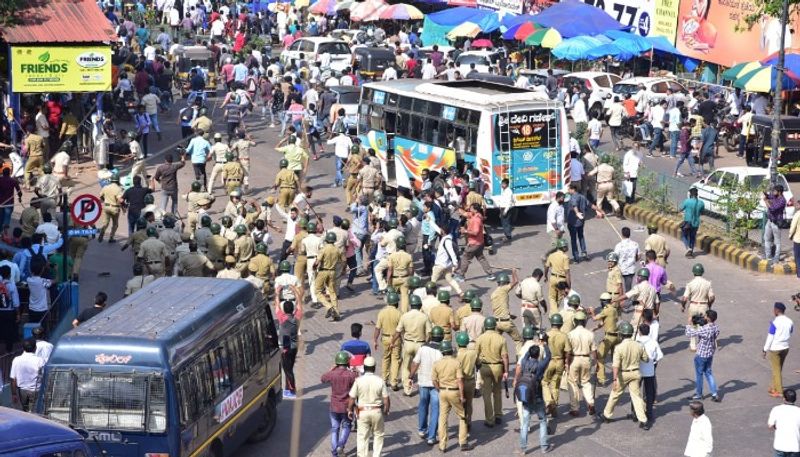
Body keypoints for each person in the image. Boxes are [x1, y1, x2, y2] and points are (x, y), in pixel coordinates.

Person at [432, 341, 473, 452]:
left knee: (443, 418)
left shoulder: (436, 364)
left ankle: (442, 444)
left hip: (442, 392)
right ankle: (463, 442)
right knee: (462, 416)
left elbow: (434, 380)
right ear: (451, 350)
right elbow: (460, 380)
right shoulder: (456, 363)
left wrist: (439, 389)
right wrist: (462, 395)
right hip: (454, 391)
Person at [514, 336, 552, 455]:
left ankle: (523, 448)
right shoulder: (540, 366)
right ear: (537, 355)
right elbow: (549, 356)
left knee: (525, 424)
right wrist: (544, 344)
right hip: (538, 398)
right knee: (542, 421)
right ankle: (544, 447)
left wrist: (532, 345)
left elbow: (525, 355)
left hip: (527, 398)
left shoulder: (525, 362)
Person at [408, 326, 444, 445]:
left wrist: (411, 376)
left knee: (423, 405)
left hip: (423, 382)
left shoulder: (423, 349)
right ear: (442, 337)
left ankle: (422, 430)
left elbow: (415, 362)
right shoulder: (442, 351)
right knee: (435, 409)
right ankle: (432, 436)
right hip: (437, 385)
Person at [347, 356, 389, 457]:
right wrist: (386, 410)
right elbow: (386, 399)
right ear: (374, 367)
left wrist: (349, 410)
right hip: (377, 411)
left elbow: (352, 398)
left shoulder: (358, 381)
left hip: (362, 412)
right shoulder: (380, 381)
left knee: (362, 437)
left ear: (364, 368)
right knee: (378, 435)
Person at [391, 294, 431, 396]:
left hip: (408, 343)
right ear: (420, 305)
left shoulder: (405, 316)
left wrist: (392, 342)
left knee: (406, 367)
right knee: (421, 367)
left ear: (410, 305)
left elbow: (398, 331)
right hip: (420, 344)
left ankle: (407, 389)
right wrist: (426, 343)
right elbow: (429, 333)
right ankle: (423, 388)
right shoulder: (424, 317)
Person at [322, 351, 359, 457]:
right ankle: (340, 445)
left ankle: (334, 453)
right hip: (347, 406)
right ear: (347, 362)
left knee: (335, 429)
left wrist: (331, 369)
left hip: (334, 406)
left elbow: (323, 378)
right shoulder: (351, 375)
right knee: (347, 426)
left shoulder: (332, 374)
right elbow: (357, 386)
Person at [476, 317, 509, 427]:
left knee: (486, 394)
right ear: (495, 326)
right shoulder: (501, 339)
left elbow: (475, 355)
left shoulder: (480, 338)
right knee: (497, 392)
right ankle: (498, 415)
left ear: (485, 326)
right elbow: (505, 357)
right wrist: (506, 371)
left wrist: (476, 366)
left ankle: (489, 419)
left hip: (485, 367)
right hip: (498, 367)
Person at [686, 309, 721, 402]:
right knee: (709, 373)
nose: (704, 317)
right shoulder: (716, 327)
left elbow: (689, 334)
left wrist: (689, 324)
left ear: (709, 318)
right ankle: (714, 393)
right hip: (710, 354)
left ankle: (699, 394)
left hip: (701, 354)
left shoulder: (704, 329)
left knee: (699, 374)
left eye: (705, 316)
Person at [566, 310, 596, 417]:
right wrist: (595, 363)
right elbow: (593, 350)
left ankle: (575, 408)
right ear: (584, 322)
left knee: (573, 382)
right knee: (586, 382)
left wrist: (567, 363)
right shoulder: (590, 334)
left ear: (575, 321)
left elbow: (568, 351)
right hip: (586, 359)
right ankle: (590, 402)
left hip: (574, 358)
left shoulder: (570, 334)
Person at [455, 203, 494, 281]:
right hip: (480, 243)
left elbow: (475, 232)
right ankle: (490, 274)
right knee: (481, 258)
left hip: (473, 243)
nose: (470, 209)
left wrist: (465, 231)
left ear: (475, 210)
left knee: (465, 258)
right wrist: (458, 208)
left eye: (471, 208)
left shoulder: (476, 220)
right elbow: (466, 214)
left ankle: (461, 276)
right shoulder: (478, 215)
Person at [764, 302, 794, 398]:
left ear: (777, 311)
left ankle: (779, 391)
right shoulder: (790, 321)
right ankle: (773, 386)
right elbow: (791, 331)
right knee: (778, 368)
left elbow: (770, 337)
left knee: (776, 369)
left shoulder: (775, 323)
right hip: (785, 347)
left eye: (774, 309)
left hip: (775, 349)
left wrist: (764, 349)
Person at [636, 323, 663, 427]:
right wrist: (653, 361)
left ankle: (636, 412)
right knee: (649, 393)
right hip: (650, 371)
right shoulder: (653, 342)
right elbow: (660, 356)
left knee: (636, 393)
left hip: (638, 370)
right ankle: (649, 413)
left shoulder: (636, 342)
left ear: (640, 332)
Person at [374, 292, 402, 391]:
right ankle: (393, 382)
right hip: (396, 339)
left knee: (385, 358)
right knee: (395, 360)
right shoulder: (399, 313)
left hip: (385, 338)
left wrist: (375, 340)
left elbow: (377, 328)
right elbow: (400, 329)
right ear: (396, 303)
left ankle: (384, 379)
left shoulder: (382, 312)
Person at [10, 338, 45, 411]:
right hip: (36, 390)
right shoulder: (40, 360)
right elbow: (43, 375)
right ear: (35, 348)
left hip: (22, 391)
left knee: (24, 412)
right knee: (34, 412)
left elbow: (13, 378)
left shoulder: (16, 359)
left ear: (23, 348)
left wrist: (14, 394)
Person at [768, 388, 800, 457]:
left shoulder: (776, 409)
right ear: (795, 399)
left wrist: (776, 426)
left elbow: (770, 425)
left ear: (784, 399)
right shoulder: (799, 411)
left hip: (780, 446)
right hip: (795, 446)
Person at [280, 301, 300, 399]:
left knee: (287, 370)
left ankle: (292, 391)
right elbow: (300, 306)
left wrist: (277, 294)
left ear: (284, 309)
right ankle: (287, 388)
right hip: (294, 346)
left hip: (286, 348)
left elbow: (276, 308)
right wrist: (297, 295)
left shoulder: (282, 319)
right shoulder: (296, 319)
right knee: (289, 368)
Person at [565, 183, 589, 262]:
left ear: (572, 189)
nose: (568, 190)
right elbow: (590, 205)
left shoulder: (573, 197)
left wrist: (577, 213)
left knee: (573, 239)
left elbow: (574, 205)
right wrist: (599, 210)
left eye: (569, 189)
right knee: (581, 236)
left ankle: (576, 257)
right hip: (581, 222)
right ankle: (584, 252)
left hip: (573, 222)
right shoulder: (582, 197)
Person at [765, 185, 787, 265]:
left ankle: (776, 258)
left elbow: (772, 209)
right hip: (769, 221)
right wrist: (765, 193)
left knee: (777, 242)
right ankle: (768, 256)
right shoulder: (774, 196)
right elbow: (768, 196)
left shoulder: (782, 200)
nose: (773, 192)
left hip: (776, 222)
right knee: (767, 239)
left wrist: (766, 201)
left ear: (779, 192)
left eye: (775, 191)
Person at [680, 188, 705, 258]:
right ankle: (691, 251)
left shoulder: (687, 201)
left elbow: (680, 208)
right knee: (692, 237)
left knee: (683, 235)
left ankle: (689, 249)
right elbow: (702, 212)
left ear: (690, 194)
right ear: (697, 194)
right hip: (696, 223)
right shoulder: (701, 203)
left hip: (687, 222)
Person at [790, 200, 800, 278]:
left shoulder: (797, 214)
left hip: (798, 239)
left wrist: (790, 235)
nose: (796, 205)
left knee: (798, 257)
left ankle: (799, 274)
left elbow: (793, 227)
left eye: (798, 203)